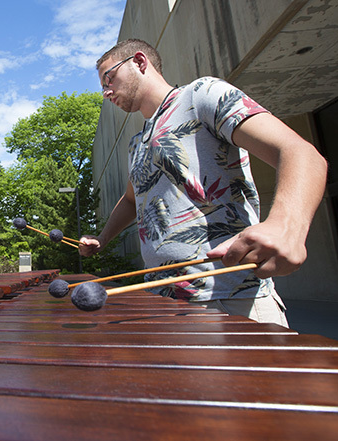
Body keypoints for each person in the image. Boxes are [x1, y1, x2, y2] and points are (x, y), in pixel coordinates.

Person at [79, 39, 327, 327]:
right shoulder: (137, 143)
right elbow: (132, 200)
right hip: (161, 302)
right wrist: (102, 238)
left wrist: (287, 225)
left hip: (229, 298)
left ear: (139, 62)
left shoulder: (201, 95)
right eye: (102, 87)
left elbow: (300, 153)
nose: (107, 91)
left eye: (109, 78)